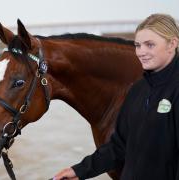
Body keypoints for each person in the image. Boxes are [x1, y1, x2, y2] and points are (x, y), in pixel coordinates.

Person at [53, 13, 179, 180]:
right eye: (138, 45)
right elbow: (118, 146)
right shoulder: (137, 90)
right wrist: (79, 171)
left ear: (172, 44)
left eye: (150, 45)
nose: (141, 52)